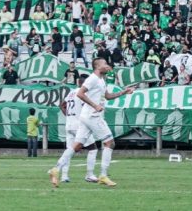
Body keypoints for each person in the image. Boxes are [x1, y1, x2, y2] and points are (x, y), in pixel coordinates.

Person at [49, 58, 134, 188]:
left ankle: (56, 169)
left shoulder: (101, 80)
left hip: (85, 116)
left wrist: (124, 92)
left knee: (76, 146)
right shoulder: (92, 78)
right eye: (105, 64)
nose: (107, 66)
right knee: (110, 143)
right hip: (92, 116)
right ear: (98, 66)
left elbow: (107, 96)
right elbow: (80, 93)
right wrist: (95, 106)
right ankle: (103, 175)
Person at [59, 76, 99, 184]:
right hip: (79, 126)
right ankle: (89, 175)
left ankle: (64, 176)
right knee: (93, 149)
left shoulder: (71, 92)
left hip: (69, 125)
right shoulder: (83, 94)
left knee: (69, 150)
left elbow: (62, 105)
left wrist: (68, 116)